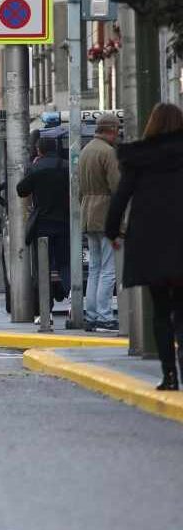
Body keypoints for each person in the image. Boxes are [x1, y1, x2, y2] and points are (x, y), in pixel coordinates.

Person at [106, 102, 183, 391]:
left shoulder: (140, 158)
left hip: (152, 243)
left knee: (161, 310)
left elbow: (120, 198)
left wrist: (112, 232)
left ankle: (169, 375)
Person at [79, 112, 121, 331]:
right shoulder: (108, 153)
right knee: (108, 269)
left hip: (87, 214)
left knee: (95, 268)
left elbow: (79, 189)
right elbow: (117, 188)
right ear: (112, 130)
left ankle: (93, 314)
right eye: (117, 130)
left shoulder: (86, 151)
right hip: (105, 215)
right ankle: (104, 316)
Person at [17, 136, 71, 309]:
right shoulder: (66, 166)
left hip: (43, 225)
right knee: (65, 263)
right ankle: (72, 298)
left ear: (39, 150)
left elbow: (21, 190)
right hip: (64, 222)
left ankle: (45, 307)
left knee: (43, 266)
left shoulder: (36, 167)